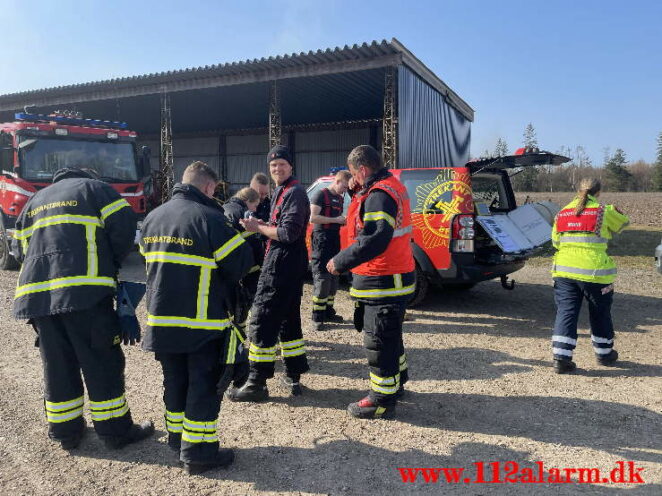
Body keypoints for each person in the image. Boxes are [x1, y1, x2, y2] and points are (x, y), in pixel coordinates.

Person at [13, 167, 154, 451]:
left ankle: (65, 432)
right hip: (86, 294)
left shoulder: (35, 200)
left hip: (39, 298)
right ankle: (115, 432)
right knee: (101, 361)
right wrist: (109, 264)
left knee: (58, 364)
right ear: (89, 175)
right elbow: (125, 227)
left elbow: (19, 249)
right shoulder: (96, 189)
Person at [140, 161, 253, 474]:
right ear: (208, 187)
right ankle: (200, 454)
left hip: (161, 323)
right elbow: (239, 264)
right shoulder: (211, 219)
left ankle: (177, 443)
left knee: (174, 382)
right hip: (202, 324)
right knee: (202, 386)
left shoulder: (153, 218)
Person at [327, 145, 414, 419]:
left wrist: (340, 262)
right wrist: (356, 189)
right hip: (393, 276)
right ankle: (397, 383)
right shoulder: (387, 187)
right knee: (390, 336)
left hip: (383, 279)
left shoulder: (379, 194)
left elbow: (375, 237)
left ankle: (382, 400)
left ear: (362, 170)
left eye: (355, 173)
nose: (353, 178)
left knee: (378, 339)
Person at [228, 145, 311, 400]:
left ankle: (256, 382)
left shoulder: (295, 193)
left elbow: (287, 233)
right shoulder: (281, 192)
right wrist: (262, 225)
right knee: (287, 317)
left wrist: (258, 229)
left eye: (282, 165)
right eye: (273, 166)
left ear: (291, 167)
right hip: (287, 262)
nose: (277, 169)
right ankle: (293, 374)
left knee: (263, 317)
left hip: (283, 263)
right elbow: (279, 226)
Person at [550, 178, 629, 374]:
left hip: (564, 271)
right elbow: (623, 224)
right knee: (600, 312)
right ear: (598, 192)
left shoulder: (562, 212)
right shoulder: (603, 210)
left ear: (578, 190)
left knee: (566, 312)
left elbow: (556, 242)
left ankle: (561, 358)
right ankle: (604, 354)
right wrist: (615, 210)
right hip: (595, 273)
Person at [222, 187, 264, 391]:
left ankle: (238, 347)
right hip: (243, 273)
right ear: (247, 200)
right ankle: (236, 351)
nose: (256, 208)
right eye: (255, 204)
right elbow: (241, 243)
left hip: (245, 271)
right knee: (239, 312)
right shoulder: (235, 212)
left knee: (241, 312)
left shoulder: (232, 209)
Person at [309, 170, 351, 330]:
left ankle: (328, 311)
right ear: (338, 181)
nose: (345, 191)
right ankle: (317, 317)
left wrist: (342, 221)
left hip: (334, 239)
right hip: (321, 240)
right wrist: (335, 220)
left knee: (334, 277)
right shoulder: (321, 194)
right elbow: (313, 218)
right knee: (322, 278)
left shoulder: (340, 198)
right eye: (344, 187)